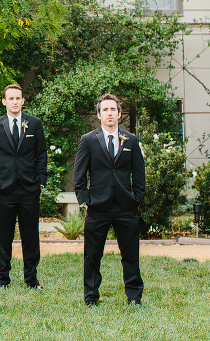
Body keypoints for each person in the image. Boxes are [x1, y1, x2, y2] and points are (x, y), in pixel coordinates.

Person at [74, 93, 145, 306]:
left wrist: (137, 198)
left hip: (125, 207)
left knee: (131, 255)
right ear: (99, 115)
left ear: (119, 113)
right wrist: (85, 198)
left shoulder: (131, 140)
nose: (109, 113)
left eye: (113, 109)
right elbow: (79, 175)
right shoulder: (88, 141)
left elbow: (139, 173)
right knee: (92, 256)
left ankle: (134, 297)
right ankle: (91, 297)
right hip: (98, 206)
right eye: (105, 110)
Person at [0, 84, 47, 289]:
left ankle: (31, 279)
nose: (14, 102)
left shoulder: (35, 124)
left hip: (30, 189)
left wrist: (40, 182)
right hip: (4, 190)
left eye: (18, 98)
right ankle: (2, 279)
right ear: (4, 101)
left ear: (23, 101)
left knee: (30, 236)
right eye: (10, 98)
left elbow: (41, 155)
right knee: (4, 237)